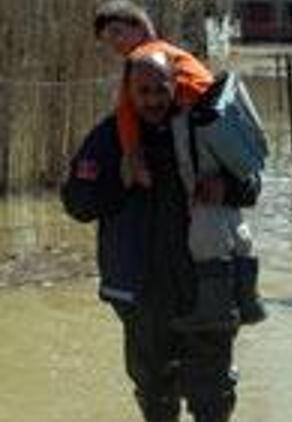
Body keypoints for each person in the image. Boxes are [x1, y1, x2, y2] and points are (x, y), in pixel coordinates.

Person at [62, 52, 264, 422]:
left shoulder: (203, 125)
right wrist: (119, 182)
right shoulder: (109, 138)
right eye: (143, 91)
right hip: (141, 295)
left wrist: (227, 187)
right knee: (155, 396)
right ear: (128, 91)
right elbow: (76, 204)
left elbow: (252, 185)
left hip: (208, 285)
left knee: (213, 398)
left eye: (161, 89)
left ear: (176, 85)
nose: (153, 99)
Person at [94, 0, 215, 188]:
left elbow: (125, 111)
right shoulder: (168, 51)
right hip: (209, 125)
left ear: (141, 26)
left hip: (196, 121)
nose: (114, 44)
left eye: (117, 33)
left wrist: (133, 159)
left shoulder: (142, 58)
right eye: (108, 41)